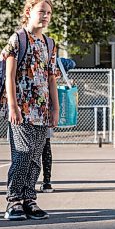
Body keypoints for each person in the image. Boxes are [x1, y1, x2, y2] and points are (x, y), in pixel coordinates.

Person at [1, 0, 59, 220]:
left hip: (42, 112)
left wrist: (55, 109)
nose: (45, 17)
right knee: (22, 154)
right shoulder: (18, 39)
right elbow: (9, 75)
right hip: (22, 110)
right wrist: (13, 106)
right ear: (28, 13)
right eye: (41, 12)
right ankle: (13, 201)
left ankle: (29, 199)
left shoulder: (50, 43)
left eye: (49, 13)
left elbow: (51, 77)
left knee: (36, 157)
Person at [40, 57, 76, 193]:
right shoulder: (49, 72)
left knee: (42, 148)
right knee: (43, 149)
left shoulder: (46, 70)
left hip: (43, 114)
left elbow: (71, 63)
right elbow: (71, 63)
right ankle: (46, 181)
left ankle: (45, 181)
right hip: (41, 113)